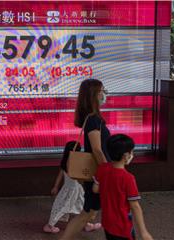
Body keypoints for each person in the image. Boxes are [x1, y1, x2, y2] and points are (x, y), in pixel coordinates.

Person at [60, 79, 111, 239]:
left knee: (89, 213)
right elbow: (97, 150)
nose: (105, 94)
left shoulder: (92, 119)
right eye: (102, 91)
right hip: (98, 174)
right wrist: (108, 172)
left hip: (97, 174)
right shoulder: (93, 120)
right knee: (87, 214)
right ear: (93, 95)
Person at [93, 134, 153, 240]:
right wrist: (143, 232)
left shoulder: (103, 168)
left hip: (107, 222)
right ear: (125, 155)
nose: (132, 154)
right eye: (131, 151)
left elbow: (95, 189)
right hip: (122, 227)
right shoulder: (128, 178)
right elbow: (135, 206)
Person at [43, 141, 98, 233]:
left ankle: (87, 224)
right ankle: (50, 225)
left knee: (78, 206)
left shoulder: (65, 161)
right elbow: (77, 176)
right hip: (74, 188)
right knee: (66, 207)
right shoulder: (74, 161)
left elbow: (60, 175)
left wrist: (56, 187)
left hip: (71, 188)